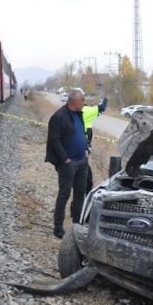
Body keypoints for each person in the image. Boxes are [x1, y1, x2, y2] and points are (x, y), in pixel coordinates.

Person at [45, 88, 90, 238]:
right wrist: (65, 159)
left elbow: (80, 133)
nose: (84, 103)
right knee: (64, 195)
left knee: (79, 194)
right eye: (82, 100)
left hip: (82, 162)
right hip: (68, 164)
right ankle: (58, 227)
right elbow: (54, 140)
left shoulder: (78, 114)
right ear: (74, 100)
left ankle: (77, 225)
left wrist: (85, 149)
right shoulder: (59, 117)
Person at [80, 97, 108, 193]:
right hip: (82, 147)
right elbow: (101, 108)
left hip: (75, 146)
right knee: (86, 175)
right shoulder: (86, 111)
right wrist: (104, 100)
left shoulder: (71, 111)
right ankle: (85, 195)